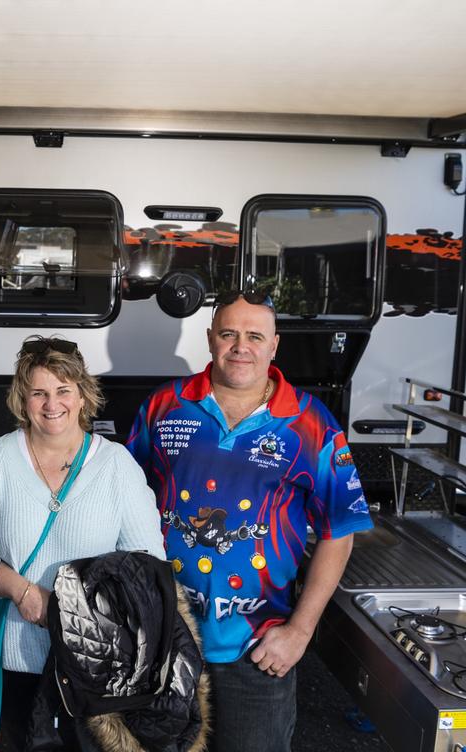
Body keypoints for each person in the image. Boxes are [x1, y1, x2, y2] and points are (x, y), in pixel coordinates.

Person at [127, 290, 374, 752]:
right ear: (211, 339)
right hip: (164, 638)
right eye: (229, 334)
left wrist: (298, 634)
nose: (241, 346)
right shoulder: (164, 407)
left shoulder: (311, 424)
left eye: (254, 336)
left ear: (274, 345)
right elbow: (120, 501)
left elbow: (338, 533)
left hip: (258, 651)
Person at [0, 336, 165, 749]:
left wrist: (82, 607)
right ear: (23, 399)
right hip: (13, 661)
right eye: (38, 392)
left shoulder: (115, 466)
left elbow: (147, 561)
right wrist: (22, 591)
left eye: (62, 390)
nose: (51, 403)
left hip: (92, 666)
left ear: (81, 396)